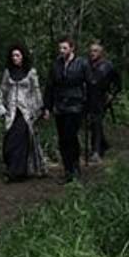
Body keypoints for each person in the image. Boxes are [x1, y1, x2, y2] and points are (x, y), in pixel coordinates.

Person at [43, 36, 91, 184]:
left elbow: (90, 84)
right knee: (63, 139)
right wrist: (47, 107)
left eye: (64, 48)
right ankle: (67, 169)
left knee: (71, 137)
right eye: (60, 48)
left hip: (75, 106)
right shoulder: (56, 64)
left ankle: (75, 168)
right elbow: (50, 86)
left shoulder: (82, 63)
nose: (62, 51)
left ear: (72, 48)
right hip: (60, 106)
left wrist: (89, 105)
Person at [0, 44, 46, 181]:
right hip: (11, 112)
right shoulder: (8, 72)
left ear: (23, 56)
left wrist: (40, 109)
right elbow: (3, 91)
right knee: (9, 141)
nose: (15, 58)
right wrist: (1, 107)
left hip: (26, 112)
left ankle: (16, 172)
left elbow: (36, 91)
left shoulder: (30, 72)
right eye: (13, 55)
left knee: (21, 141)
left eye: (17, 55)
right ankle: (12, 167)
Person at [86, 42, 122, 163]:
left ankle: (96, 151)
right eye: (91, 51)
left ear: (101, 53)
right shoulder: (86, 65)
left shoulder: (108, 66)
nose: (92, 53)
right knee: (93, 124)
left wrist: (112, 94)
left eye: (95, 51)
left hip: (101, 99)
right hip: (88, 99)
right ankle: (103, 144)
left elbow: (118, 83)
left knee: (96, 122)